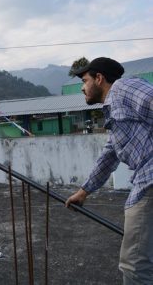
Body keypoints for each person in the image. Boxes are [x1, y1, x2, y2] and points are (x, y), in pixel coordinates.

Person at [65, 57, 153, 284]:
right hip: (145, 182)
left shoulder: (123, 88)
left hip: (149, 182)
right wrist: (83, 192)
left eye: (84, 80)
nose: (82, 88)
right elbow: (109, 156)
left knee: (134, 264)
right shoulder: (114, 110)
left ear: (99, 78)